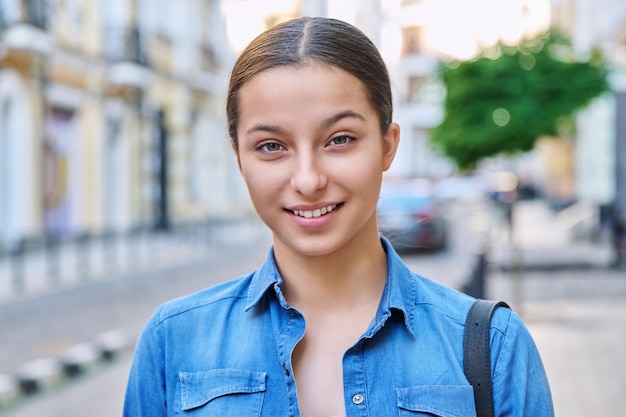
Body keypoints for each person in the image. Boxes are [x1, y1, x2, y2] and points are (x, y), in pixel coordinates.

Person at [123, 17, 554, 417]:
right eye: (271, 146)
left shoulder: (492, 346)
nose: (308, 180)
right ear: (239, 158)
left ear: (388, 146)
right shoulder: (172, 342)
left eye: (340, 139)